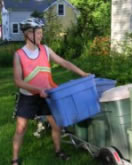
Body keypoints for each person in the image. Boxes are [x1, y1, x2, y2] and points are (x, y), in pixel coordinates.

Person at [12, 17, 89, 165]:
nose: (41, 36)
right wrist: (38, 89)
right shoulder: (19, 55)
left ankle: (58, 150)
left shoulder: (46, 50)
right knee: (21, 128)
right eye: (38, 33)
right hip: (28, 97)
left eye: (41, 32)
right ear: (28, 34)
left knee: (56, 125)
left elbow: (63, 62)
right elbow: (17, 81)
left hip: (48, 95)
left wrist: (83, 73)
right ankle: (15, 159)